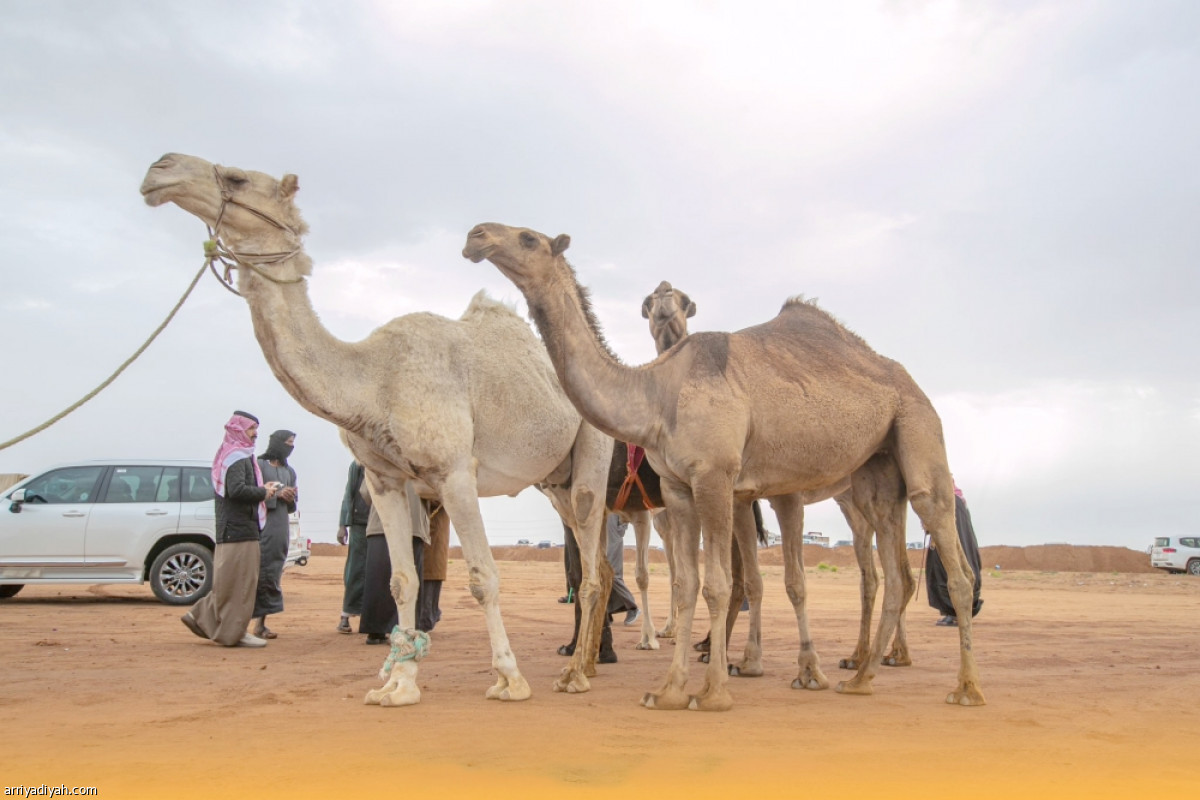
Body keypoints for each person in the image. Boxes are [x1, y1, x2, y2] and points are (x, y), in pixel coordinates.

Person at [182, 411, 280, 648]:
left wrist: (262, 488)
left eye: (256, 428)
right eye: (251, 429)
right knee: (241, 584)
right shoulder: (236, 457)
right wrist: (264, 492)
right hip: (238, 529)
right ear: (238, 430)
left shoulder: (239, 456)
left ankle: (200, 616)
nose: (255, 433)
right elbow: (236, 490)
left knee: (231, 581)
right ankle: (233, 633)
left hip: (238, 528)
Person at [360, 483, 426, 645]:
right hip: (414, 524)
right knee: (410, 578)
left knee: (379, 577)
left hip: (381, 523)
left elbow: (365, 492)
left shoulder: (377, 465)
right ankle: (407, 629)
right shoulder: (424, 466)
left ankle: (375, 631)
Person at [252, 430, 297, 639]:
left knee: (272, 572)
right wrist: (275, 495)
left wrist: (289, 497)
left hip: (280, 527)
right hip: (261, 525)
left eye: (293, 443)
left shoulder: (290, 471)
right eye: (288, 442)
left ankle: (260, 623)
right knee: (256, 572)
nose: (291, 447)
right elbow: (252, 492)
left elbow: (292, 506)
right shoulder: (259, 466)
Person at [926, 480, 984, 626]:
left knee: (947, 560)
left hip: (946, 507)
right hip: (951, 507)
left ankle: (954, 612)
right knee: (948, 558)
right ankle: (954, 611)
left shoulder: (930, 478)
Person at [336, 461, 371, 634]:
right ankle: (345, 616)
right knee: (355, 569)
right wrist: (343, 525)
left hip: (383, 525)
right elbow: (349, 493)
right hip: (359, 524)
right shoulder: (358, 464)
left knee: (379, 573)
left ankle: (373, 620)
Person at [417, 501, 448, 632]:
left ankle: (426, 619)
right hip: (432, 534)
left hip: (431, 533)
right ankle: (430, 615)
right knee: (430, 574)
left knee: (429, 575)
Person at [606, 513, 640, 626]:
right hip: (603, 531)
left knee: (612, 574)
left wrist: (622, 524)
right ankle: (607, 612)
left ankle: (632, 607)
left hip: (613, 534)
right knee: (602, 575)